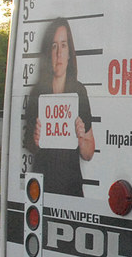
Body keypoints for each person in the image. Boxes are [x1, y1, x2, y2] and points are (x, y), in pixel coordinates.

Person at [24, 18, 96, 197]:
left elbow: (88, 153)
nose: (58, 54)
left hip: (72, 187)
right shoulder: (37, 92)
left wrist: (80, 139)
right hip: (41, 188)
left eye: (63, 45)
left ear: (70, 52)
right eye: (54, 46)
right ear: (48, 52)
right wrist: (35, 139)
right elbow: (28, 144)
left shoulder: (79, 91)